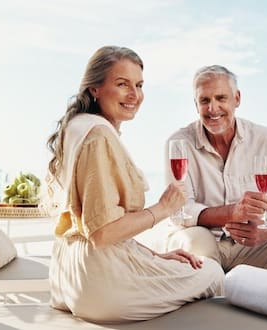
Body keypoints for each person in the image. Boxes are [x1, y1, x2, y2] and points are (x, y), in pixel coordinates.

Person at [45, 46, 223, 323]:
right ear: (95, 89)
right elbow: (102, 233)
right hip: (101, 283)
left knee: (188, 263)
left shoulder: (77, 126)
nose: (134, 95)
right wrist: (163, 209)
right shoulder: (99, 136)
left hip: (67, 275)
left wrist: (157, 256)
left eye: (138, 85)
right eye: (122, 84)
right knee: (212, 272)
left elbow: (91, 224)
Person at [163, 65, 267, 278]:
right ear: (196, 104)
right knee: (197, 240)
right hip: (203, 241)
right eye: (204, 101)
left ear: (237, 99)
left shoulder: (266, 138)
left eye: (221, 98)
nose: (213, 108)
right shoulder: (179, 143)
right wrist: (232, 213)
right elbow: (179, 210)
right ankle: (210, 299)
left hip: (253, 245)